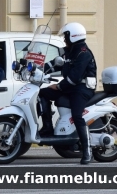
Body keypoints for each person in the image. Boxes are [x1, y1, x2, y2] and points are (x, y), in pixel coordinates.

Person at [38, 22, 97, 165]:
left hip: (82, 88)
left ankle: (87, 150)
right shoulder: (69, 51)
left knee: (77, 115)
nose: (64, 39)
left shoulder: (83, 53)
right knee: (43, 93)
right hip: (70, 87)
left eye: (66, 36)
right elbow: (56, 63)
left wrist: (58, 86)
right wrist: (38, 68)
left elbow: (75, 78)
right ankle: (47, 129)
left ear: (73, 36)